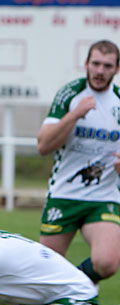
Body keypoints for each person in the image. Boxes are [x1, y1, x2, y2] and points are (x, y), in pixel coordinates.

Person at [37, 39, 120, 284]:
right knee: (46, 273)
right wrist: (74, 115)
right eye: (95, 63)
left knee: (107, 262)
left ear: (116, 69)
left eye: (107, 65)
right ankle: (53, 304)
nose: (100, 71)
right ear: (86, 63)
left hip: (104, 197)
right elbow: (43, 146)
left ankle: (75, 286)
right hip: (65, 193)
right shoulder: (70, 95)